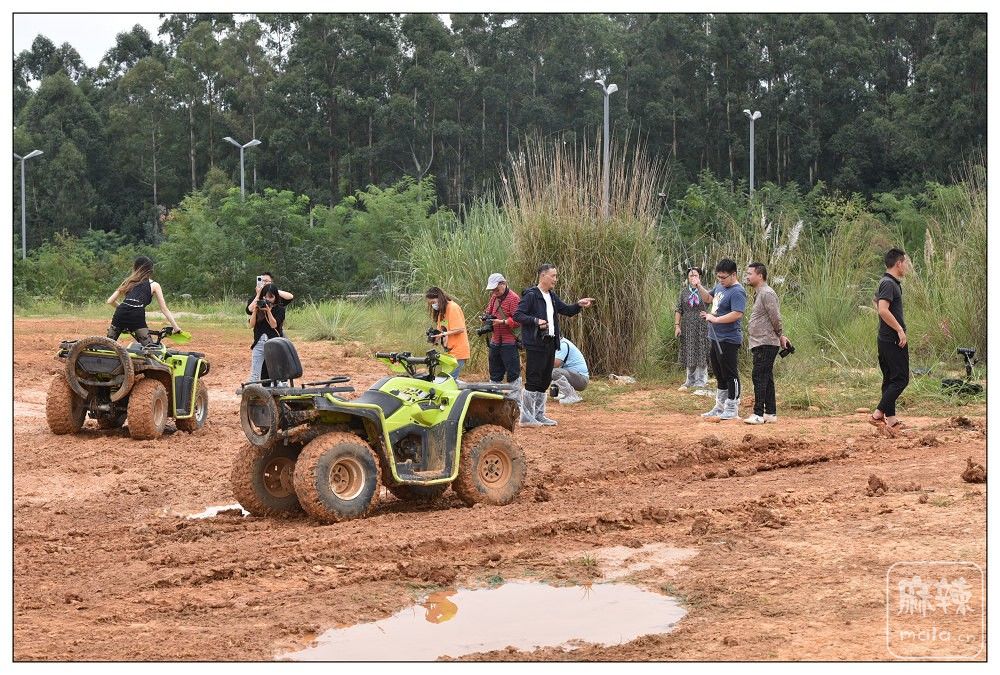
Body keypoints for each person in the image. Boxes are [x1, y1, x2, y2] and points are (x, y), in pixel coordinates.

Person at [513, 263, 595, 426]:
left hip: (550, 342)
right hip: (536, 343)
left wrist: (578, 305)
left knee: (544, 379)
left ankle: (539, 415)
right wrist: (536, 321)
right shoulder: (531, 295)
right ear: (543, 276)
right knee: (533, 378)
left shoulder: (551, 296)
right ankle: (526, 418)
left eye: (556, 276)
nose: (555, 279)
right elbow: (518, 315)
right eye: (553, 276)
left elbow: (567, 310)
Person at [695, 258, 747, 421]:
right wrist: (698, 285)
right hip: (715, 336)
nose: (721, 280)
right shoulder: (720, 286)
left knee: (730, 373)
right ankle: (720, 406)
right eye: (718, 277)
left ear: (733, 275)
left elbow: (737, 313)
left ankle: (732, 407)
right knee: (719, 372)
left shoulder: (737, 291)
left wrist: (715, 319)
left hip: (729, 338)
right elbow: (708, 299)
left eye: (723, 277)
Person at [870, 248, 911, 435]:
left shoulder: (886, 282)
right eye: (905, 262)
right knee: (901, 379)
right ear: (899, 263)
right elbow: (882, 309)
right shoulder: (889, 283)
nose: (907, 266)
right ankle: (878, 414)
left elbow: (876, 302)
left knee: (890, 379)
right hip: (893, 339)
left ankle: (891, 420)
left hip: (885, 338)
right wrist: (899, 329)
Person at [743, 262, 789, 424]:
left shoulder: (767, 293)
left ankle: (758, 414)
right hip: (761, 342)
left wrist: (780, 335)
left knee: (759, 376)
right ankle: (770, 413)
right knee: (766, 377)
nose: (747, 276)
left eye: (750, 273)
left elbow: (775, 317)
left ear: (760, 275)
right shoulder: (760, 293)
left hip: (766, 342)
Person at [106, 255, 181, 345]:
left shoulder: (128, 281)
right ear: (150, 270)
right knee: (149, 347)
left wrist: (124, 309)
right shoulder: (154, 285)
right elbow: (164, 309)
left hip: (121, 313)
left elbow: (110, 301)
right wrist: (176, 327)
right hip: (136, 315)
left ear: (135, 268)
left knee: (108, 345)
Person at [484, 273, 522, 393]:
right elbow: (488, 311)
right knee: (494, 372)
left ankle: (515, 399)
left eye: (496, 289)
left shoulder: (513, 298)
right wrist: (485, 318)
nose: (494, 292)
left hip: (509, 341)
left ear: (504, 284)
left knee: (513, 373)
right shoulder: (494, 297)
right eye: (493, 290)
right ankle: (495, 396)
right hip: (495, 340)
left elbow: (519, 320)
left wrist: (503, 322)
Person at [675, 267, 710, 391]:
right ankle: (690, 380)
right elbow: (679, 309)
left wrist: (699, 287)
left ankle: (702, 380)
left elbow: (711, 302)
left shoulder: (705, 291)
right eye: (691, 275)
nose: (693, 277)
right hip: (687, 325)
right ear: (688, 278)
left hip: (702, 325)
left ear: (700, 277)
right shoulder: (684, 292)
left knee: (701, 350)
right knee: (689, 350)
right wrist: (677, 326)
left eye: (695, 275)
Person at [425, 287, 470, 378]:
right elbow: (442, 330)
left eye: (433, 302)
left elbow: (460, 329)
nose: (433, 305)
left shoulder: (453, 307)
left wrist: (444, 334)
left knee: (449, 379)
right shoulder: (442, 311)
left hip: (458, 351)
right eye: (431, 304)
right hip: (449, 352)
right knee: (445, 379)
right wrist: (436, 337)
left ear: (440, 298)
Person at [248, 283, 288, 382]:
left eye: (271, 297)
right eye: (265, 296)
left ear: (276, 297)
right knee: (254, 374)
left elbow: (274, 325)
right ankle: (253, 389)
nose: (267, 299)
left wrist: (268, 311)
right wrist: (255, 310)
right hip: (259, 343)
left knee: (276, 372)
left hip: (274, 343)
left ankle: (279, 387)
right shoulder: (259, 307)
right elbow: (251, 325)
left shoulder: (280, 309)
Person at [551, 337, 589, 404]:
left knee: (554, 372)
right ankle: (563, 393)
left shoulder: (563, 345)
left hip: (582, 380)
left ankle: (572, 396)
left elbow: (555, 364)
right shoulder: (558, 344)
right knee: (553, 371)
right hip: (576, 376)